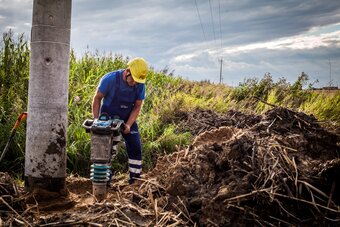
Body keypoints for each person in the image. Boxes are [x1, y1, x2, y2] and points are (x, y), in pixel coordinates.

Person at [92, 57, 148, 184]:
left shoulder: (139, 85)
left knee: (135, 145)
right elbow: (97, 98)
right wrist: (96, 121)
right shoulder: (110, 79)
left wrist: (128, 124)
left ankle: (135, 180)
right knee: (107, 150)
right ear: (127, 71)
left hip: (127, 117)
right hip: (108, 117)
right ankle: (105, 181)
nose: (134, 83)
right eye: (133, 79)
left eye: (137, 81)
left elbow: (138, 106)